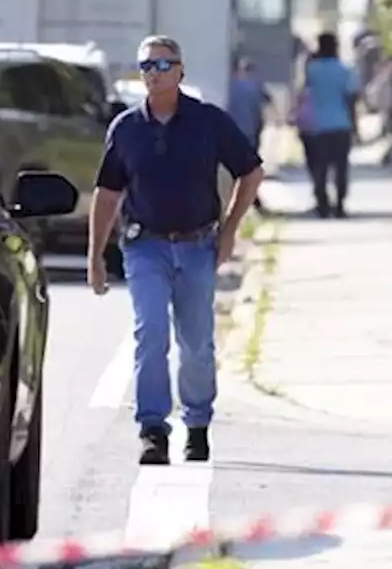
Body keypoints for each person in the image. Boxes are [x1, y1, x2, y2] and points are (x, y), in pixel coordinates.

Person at [87, 35, 263, 466]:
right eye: (147, 65)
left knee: (197, 342)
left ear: (181, 71)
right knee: (150, 335)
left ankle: (198, 424)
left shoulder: (208, 122)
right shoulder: (126, 129)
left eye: (164, 65)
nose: (154, 72)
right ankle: (152, 430)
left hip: (198, 244)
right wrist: (95, 257)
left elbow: (251, 172)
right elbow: (107, 194)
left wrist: (229, 230)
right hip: (145, 246)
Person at [297, 32, 358, 218]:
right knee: (340, 167)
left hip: (316, 126)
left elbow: (304, 95)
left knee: (319, 166)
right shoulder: (344, 70)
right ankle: (339, 204)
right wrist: (355, 124)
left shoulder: (312, 70)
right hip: (340, 124)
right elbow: (351, 98)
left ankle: (322, 204)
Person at [227, 56, 272, 212]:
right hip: (249, 133)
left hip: (227, 135)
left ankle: (241, 204)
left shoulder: (225, 87)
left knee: (232, 173)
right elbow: (265, 101)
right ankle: (252, 201)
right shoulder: (251, 85)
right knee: (248, 171)